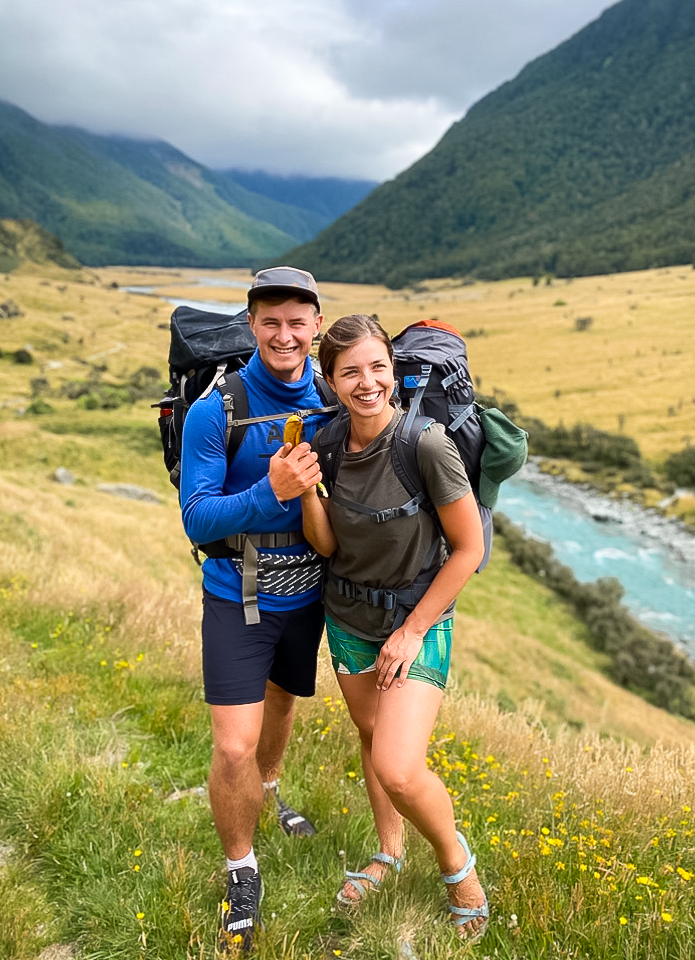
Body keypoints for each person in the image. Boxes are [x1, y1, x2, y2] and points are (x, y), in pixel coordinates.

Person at [300, 314, 490, 941]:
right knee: (370, 735)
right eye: (350, 371)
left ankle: (455, 863)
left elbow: (468, 549)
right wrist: (306, 491)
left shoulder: (427, 446)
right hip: (348, 618)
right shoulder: (327, 444)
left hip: (417, 621)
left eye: (378, 367)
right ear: (329, 381)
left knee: (401, 768)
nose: (367, 382)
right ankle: (389, 851)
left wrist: (411, 631)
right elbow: (327, 544)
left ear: (394, 370)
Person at [179, 266, 331, 952]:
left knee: (282, 702)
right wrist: (271, 489)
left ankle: (269, 787)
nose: (284, 334)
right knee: (232, 743)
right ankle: (242, 865)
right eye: (270, 321)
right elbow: (197, 517)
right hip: (235, 594)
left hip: (307, 597)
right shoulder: (218, 410)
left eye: (297, 321)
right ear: (250, 324)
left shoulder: (334, 400)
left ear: (317, 326)